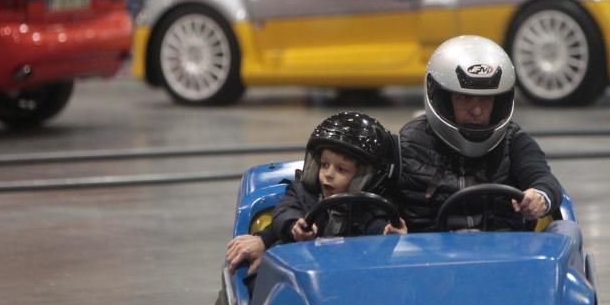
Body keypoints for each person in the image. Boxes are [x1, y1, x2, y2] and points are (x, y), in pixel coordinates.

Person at [396, 36, 583, 269]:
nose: (476, 110)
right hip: (427, 267)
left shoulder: (514, 141)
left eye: (487, 100)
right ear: (441, 98)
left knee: (567, 230)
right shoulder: (406, 145)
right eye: (464, 97)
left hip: (505, 263)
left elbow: (544, 180)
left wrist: (539, 197)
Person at [225, 111, 404, 271]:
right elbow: (284, 212)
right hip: (304, 274)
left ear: (366, 177)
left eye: (341, 169)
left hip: (349, 279)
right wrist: (295, 226)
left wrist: (388, 238)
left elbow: (378, 230)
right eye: (324, 165)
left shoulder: (372, 208)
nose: (328, 174)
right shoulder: (303, 193)